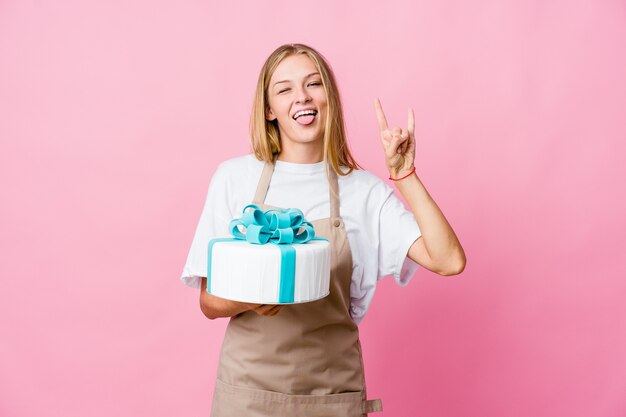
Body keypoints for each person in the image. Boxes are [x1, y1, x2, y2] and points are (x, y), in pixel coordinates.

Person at [181, 43, 466, 417]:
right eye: (284, 89)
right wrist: (258, 296)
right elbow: (208, 302)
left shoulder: (363, 191)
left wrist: (404, 174)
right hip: (248, 396)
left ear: (328, 96)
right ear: (269, 110)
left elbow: (449, 261)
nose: (301, 97)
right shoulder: (234, 179)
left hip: (332, 398)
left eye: (313, 84)